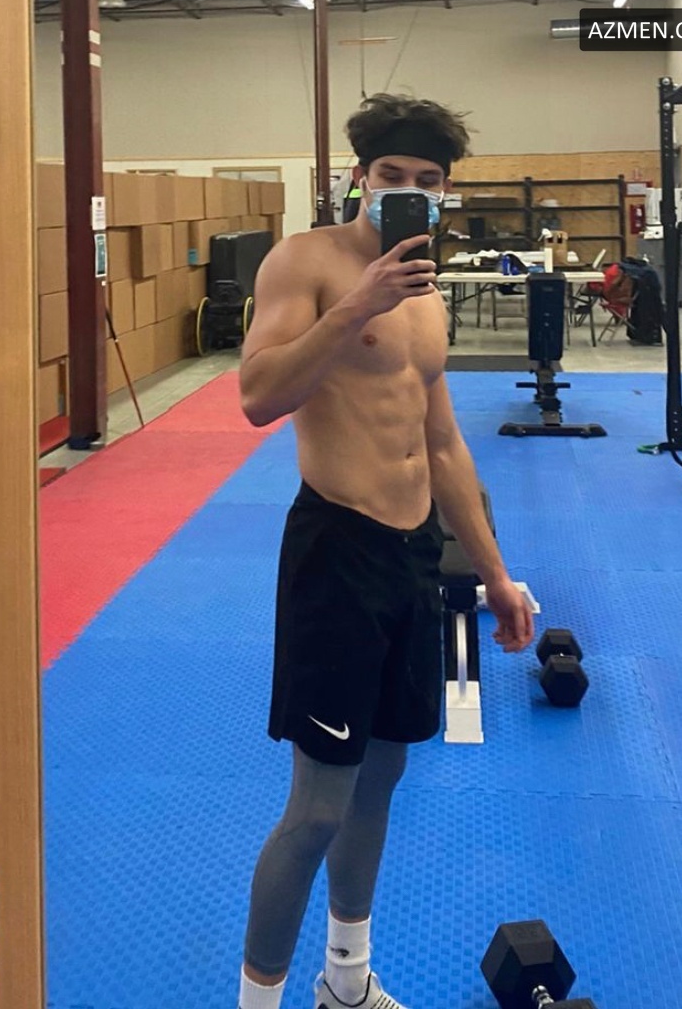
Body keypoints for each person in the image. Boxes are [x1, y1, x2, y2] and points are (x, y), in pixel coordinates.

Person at [237, 93, 534, 1009]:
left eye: (427, 180)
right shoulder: (306, 262)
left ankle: (346, 981)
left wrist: (494, 573)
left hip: (414, 557)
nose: (409, 191)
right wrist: (354, 308)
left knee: (383, 779)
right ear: (360, 178)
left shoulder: (428, 293)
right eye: (392, 176)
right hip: (337, 550)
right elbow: (257, 396)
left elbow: (442, 444)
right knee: (317, 808)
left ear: (445, 192)